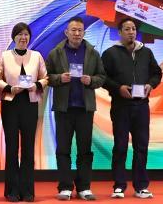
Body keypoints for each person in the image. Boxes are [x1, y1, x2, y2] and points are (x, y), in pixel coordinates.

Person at [46, 16, 106, 201]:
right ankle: (65, 187)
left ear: (84, 33)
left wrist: (91, 80)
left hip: (85, 109)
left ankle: (84, 187)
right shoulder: (56, 53)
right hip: (63, 109)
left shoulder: (92, 53)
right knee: (63, 149)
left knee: (85, 149)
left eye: (80, 30)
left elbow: (102, 77)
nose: (77, 33)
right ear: (66, 32)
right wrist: (59, 78)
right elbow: (46, 77)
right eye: (73, 30)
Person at [102, 17, 161, 200]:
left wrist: (151, 85)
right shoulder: (110, 53)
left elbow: (157, 73)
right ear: (120, 32)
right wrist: (118, 88)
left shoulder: (146, 52)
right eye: (127, 29)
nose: (131, 32)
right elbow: (103, 78)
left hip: (141, 106)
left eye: (133, 29)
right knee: (120, 146)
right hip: (121, 106)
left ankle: (141, 186)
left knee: (141, 146)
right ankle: (119, 186)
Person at [0, 22, 48, 202]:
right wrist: (9, 88)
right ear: (14, 37)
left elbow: (45, 77)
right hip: (10, 104)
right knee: (11, 148)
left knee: (28, 148)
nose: (23, 38)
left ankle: (27, 190)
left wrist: (36, 85)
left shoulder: (37, 56)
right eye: (20, 34)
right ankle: (12, 190)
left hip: (29, 104)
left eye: (26, 34)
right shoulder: (4, 56)